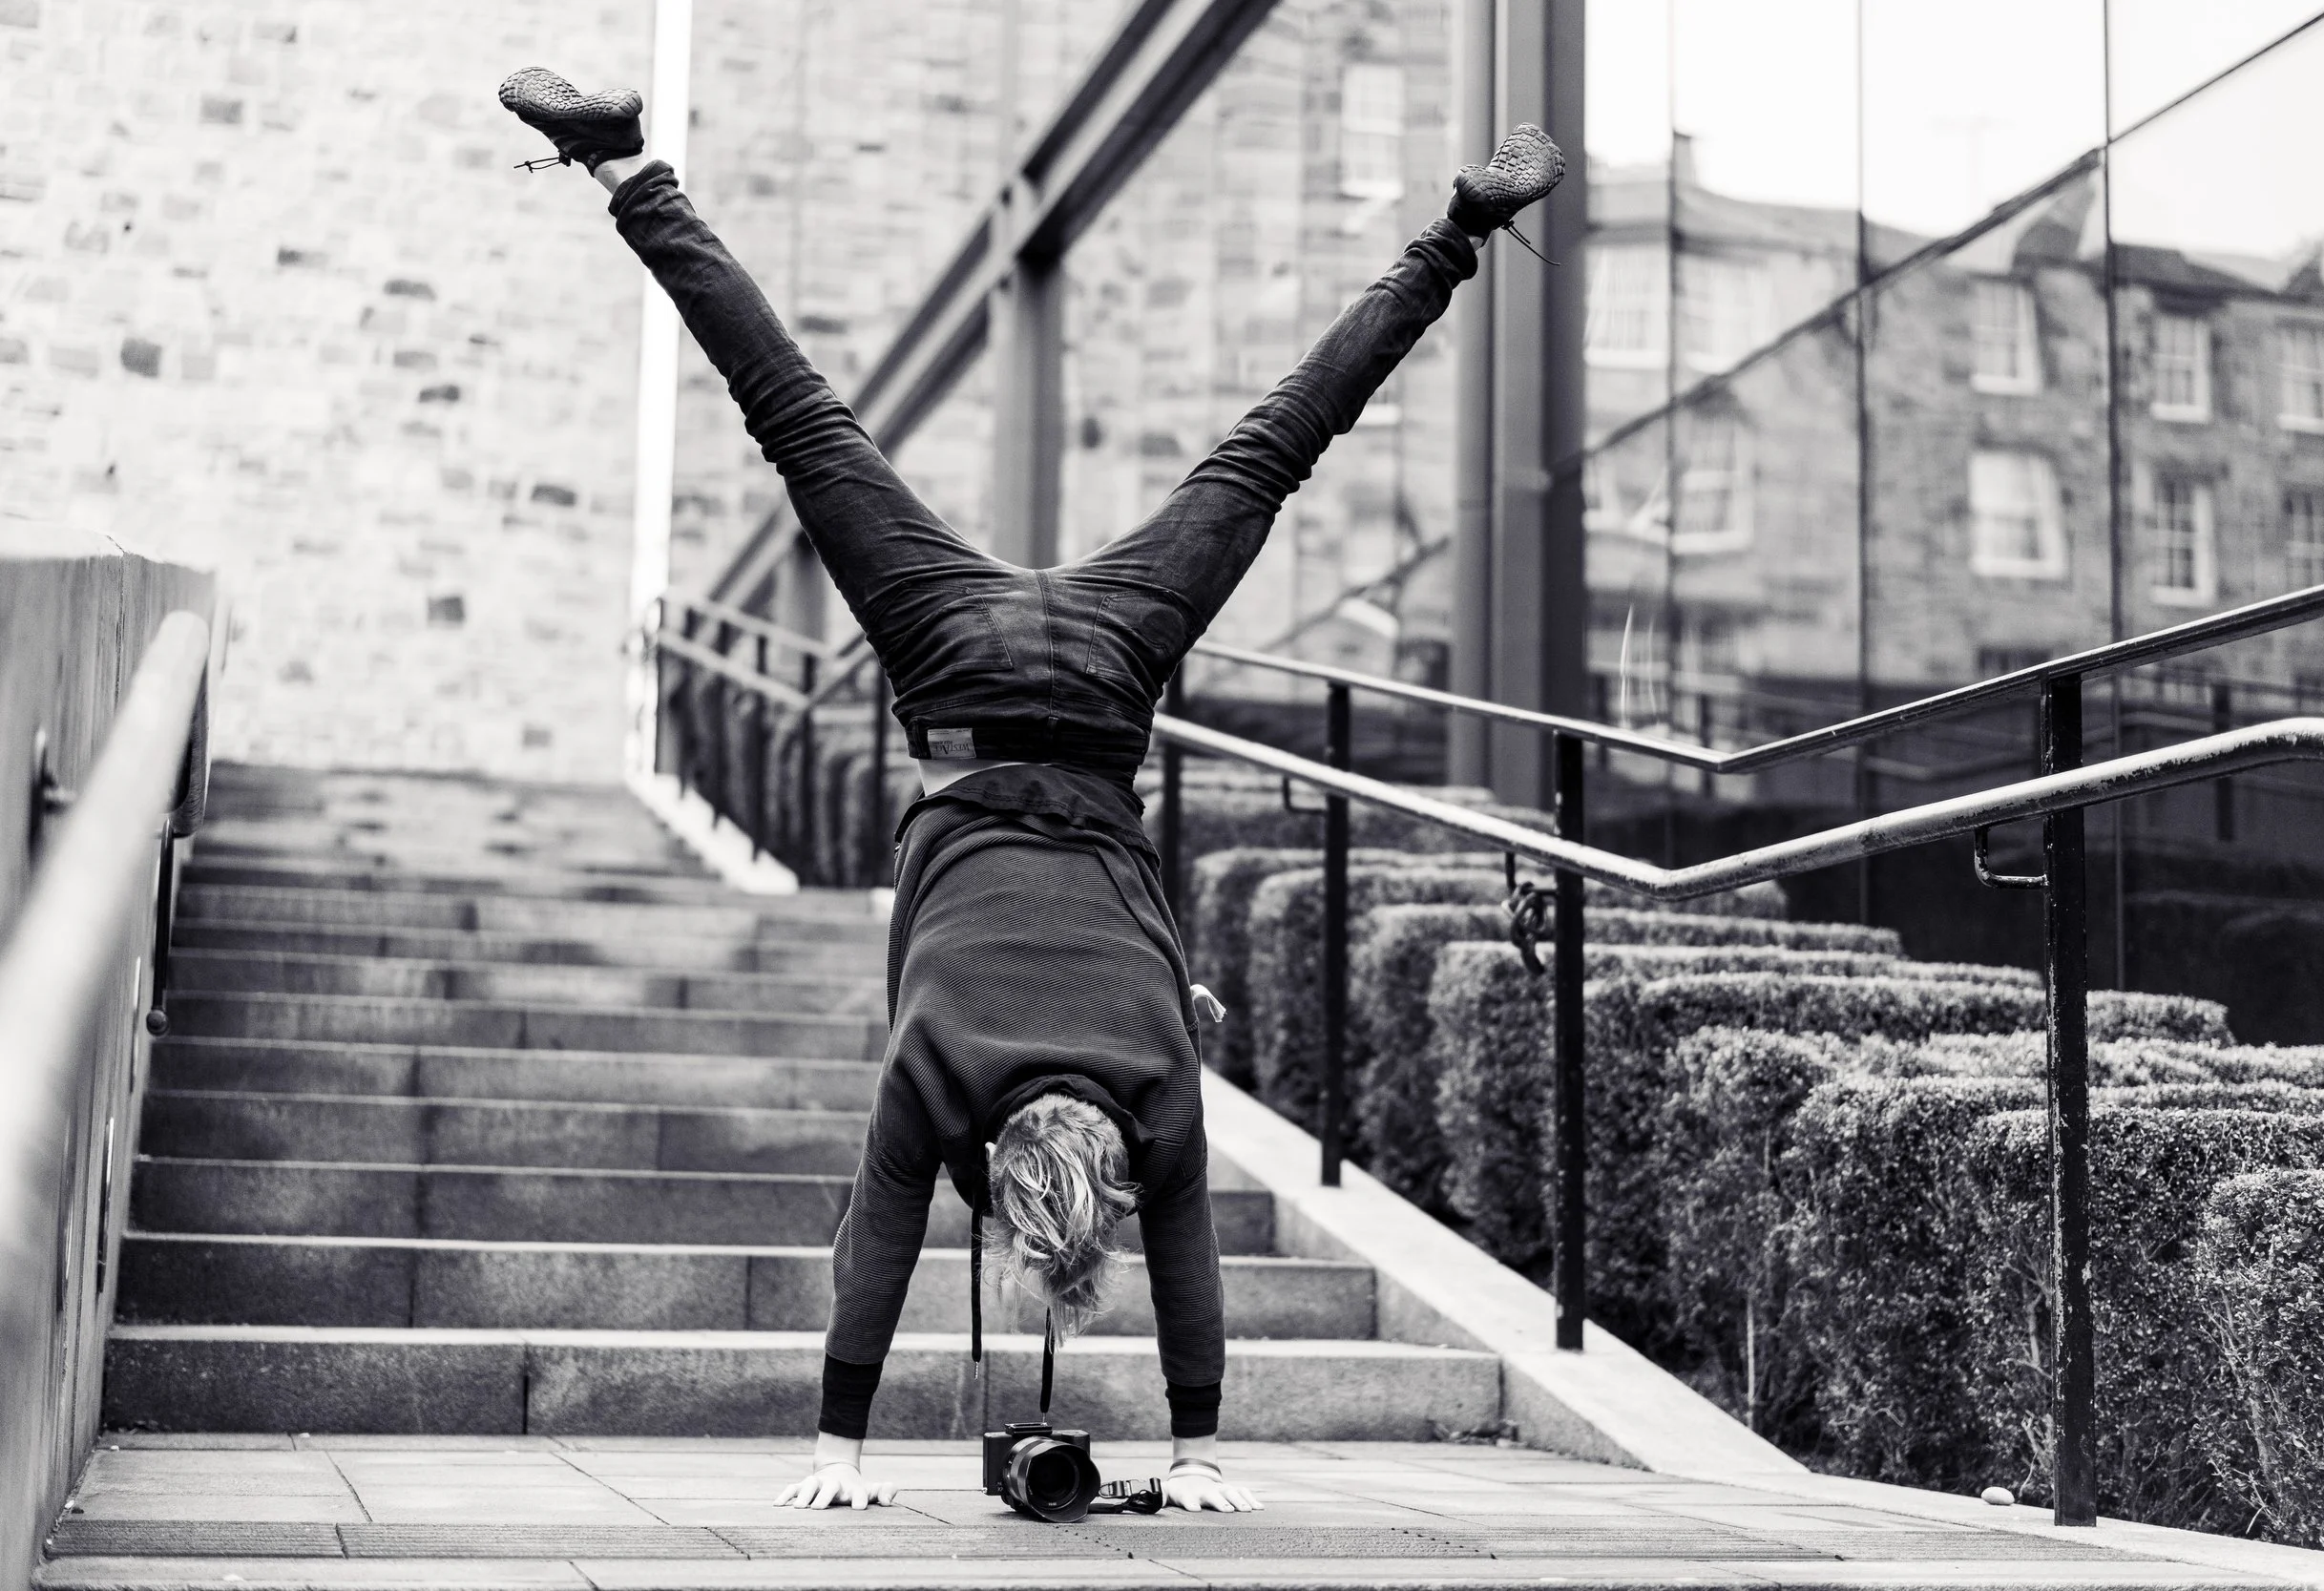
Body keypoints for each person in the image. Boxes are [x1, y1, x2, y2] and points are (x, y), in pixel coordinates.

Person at [498, 66, 1561, 1513]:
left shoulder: (1155, 1090)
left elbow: (1184, 1265)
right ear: (1005, 1172)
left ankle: (1455, 229)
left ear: (1100, 1165)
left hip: (1109, 678)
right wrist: (838, 1454)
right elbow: (874, 1240)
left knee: (1270, 453)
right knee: (801, 423)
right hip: (955, 680)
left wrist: (1197, 1452)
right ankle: (630, 170)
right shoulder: (938, 1071)